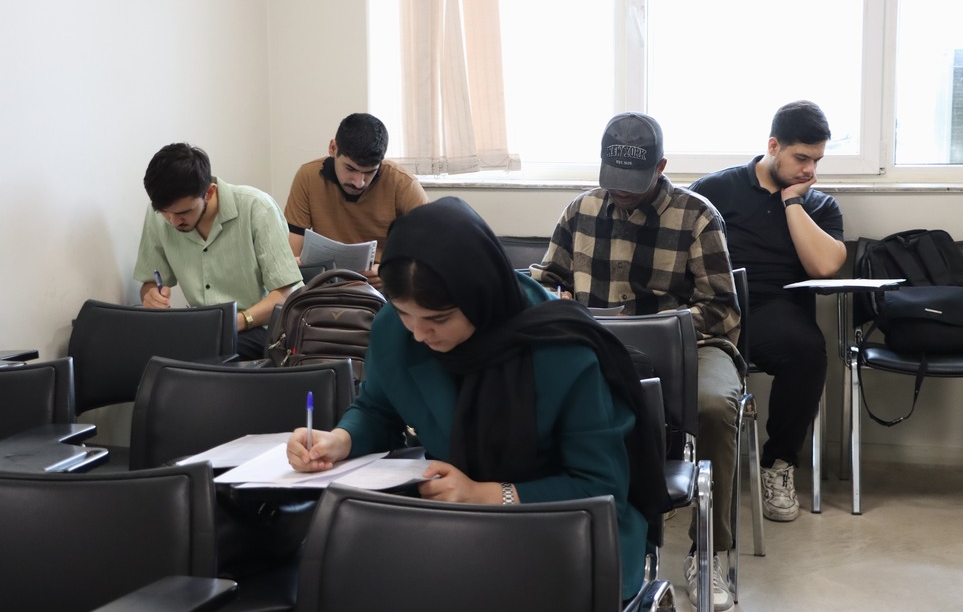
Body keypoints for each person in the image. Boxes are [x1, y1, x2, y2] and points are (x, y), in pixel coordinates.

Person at [286, 197, 667, 601]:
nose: (419, 334)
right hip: (451, 520)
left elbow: (599, 487)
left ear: (479, 295)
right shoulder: (395, 331)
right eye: (403, 314)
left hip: (562, 531)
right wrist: (340, 440)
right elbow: (378, 408)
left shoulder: (561, 348)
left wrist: (485, 494)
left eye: (438, 319)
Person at [530, 112, 743, 611]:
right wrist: (555, 301)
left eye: (634, 181)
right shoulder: (581, 210)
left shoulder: (697, 216)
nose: (621, 191)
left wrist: (658, 324)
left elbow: (722, 309)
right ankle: (564, 535)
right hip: (597, 347)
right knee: (540, 395)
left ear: (661, 166)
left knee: (714, 407)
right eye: (614, 179)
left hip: (690, 346)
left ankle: (709, 550)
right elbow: (543, 281)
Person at [689, 100, 846, 525]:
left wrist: (793, 203)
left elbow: (825, 266)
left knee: (808, 351)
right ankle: (673, 469)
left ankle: (778, 464)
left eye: (817, 160)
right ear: (773, 146)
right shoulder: (715, 190)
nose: (809, 170)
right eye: (801, 158)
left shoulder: (820, 206)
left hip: (773, 312)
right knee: (661, 341)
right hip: (714, 306)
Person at [134, 142, 303, 361]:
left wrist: (237, 321)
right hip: (202, 330)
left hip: (261, 328)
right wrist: (151, 297)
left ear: (209, 192)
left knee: (198, 354)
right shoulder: (159, 215)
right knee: (136, 348)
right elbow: (150, 283)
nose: (173, 221)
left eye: (184, 212)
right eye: (165, 213)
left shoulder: (257, 208)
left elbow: (287, 294)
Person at [283, 112, 429, 289]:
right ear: (333, 148)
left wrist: (392, 272)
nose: (359, 182)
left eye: (370, 172)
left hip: (383, 289)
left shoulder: (403, 183)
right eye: (350, 169)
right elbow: (292, 255)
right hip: (325, 286)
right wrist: (297, 265)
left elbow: (432, 249)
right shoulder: (308, 176)